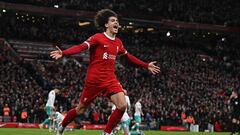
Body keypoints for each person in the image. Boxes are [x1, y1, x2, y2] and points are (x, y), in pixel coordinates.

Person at [50, 9, 160, 135]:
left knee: (122, 105)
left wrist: (146, 65)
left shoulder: (118, 42)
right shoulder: (98, 38)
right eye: (113, 21)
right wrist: (64, 52)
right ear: (106, 24)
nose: (116, 23)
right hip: (94, 80)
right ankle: (62, 125)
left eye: (117, 21)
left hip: (110, 79)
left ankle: (106, 133)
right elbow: (81, 47)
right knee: (80, 110)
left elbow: (128, 57)